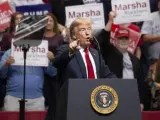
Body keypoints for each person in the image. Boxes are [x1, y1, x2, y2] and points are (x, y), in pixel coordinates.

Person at [96, 11, 146, 111]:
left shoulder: (135, 60)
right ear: (114, 41)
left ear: (130, 41)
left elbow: (141, 83)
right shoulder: (110, 53)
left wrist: (141, 102)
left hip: (131, 96)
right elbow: (103, 39)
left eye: (126, 39)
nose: (123, 41)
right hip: (113, 96)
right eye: (120, 39)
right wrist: (110, 21)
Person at [52, 18, 116, 85]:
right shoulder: (65, 49)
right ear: (74, 35)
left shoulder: (96, 53)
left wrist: (121, 83)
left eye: (89, 29)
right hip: (76, 93)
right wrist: (70, 51)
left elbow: (107, 75)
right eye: (83, 30)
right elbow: (56, 63)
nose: (87, 33)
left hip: (95, 93)